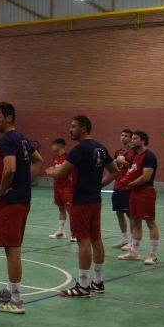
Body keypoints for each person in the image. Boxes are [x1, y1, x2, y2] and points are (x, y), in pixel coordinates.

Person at [49, 116, 118, 298]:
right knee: (96, 239)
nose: (70, 130)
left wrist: (51, 172)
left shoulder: (79, 150)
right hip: (95, 200)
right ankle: (98, 281)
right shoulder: (101, 148)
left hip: (80, 200)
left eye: (73, 127)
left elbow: (61, 175)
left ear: (84, 129)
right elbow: (115, 171)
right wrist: (98, 186)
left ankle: (83, 285)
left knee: (83, 241)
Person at [0, 103, 43, 314]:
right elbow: (38, 160)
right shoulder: (21, 138)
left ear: (9, 118)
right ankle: (11, 290)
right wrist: (25, 181)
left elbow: (9, 168)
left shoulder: (8, 140)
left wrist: (2, 191)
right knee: (11, 247)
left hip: (11, 202)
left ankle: (17, 300)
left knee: (12, 250)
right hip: (22, 199)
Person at [117, 131, 160, 264]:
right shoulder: (134, 156)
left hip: (145, 192)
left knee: (150, 222)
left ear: (143, 140)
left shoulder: (149, 156)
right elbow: (132, 171)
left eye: (135, 138)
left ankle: (153, 255)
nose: (132, 141)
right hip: (134, 192)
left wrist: (129, 184)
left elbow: (146, 176)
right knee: (135, 222)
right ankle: (134, 252)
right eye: (133, 138)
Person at [46, 138, 74, 241]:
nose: (52, 147)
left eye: (54, 145)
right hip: (57, 187)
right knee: (61, 208)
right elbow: (54, 172)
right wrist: (53, 172)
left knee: (70, 210)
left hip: (66, 187)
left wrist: (53, 172)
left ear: (60, 145)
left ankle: (74, 233)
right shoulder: (55, 157)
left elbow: (64, 171)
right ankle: (61, 231)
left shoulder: (67, 157)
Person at [111, 129, 134, 249]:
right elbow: (115, 168)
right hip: (117, 185)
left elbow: (135, 167)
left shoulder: (133, 152)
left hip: (127, 186)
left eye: (126, 136)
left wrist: (125, 163)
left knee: (130, 214)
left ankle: (132, 240)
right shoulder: (117, 152)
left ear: (130, 138)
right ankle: (124, 238)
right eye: (122, 135)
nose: (123, 137)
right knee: (119, 212)